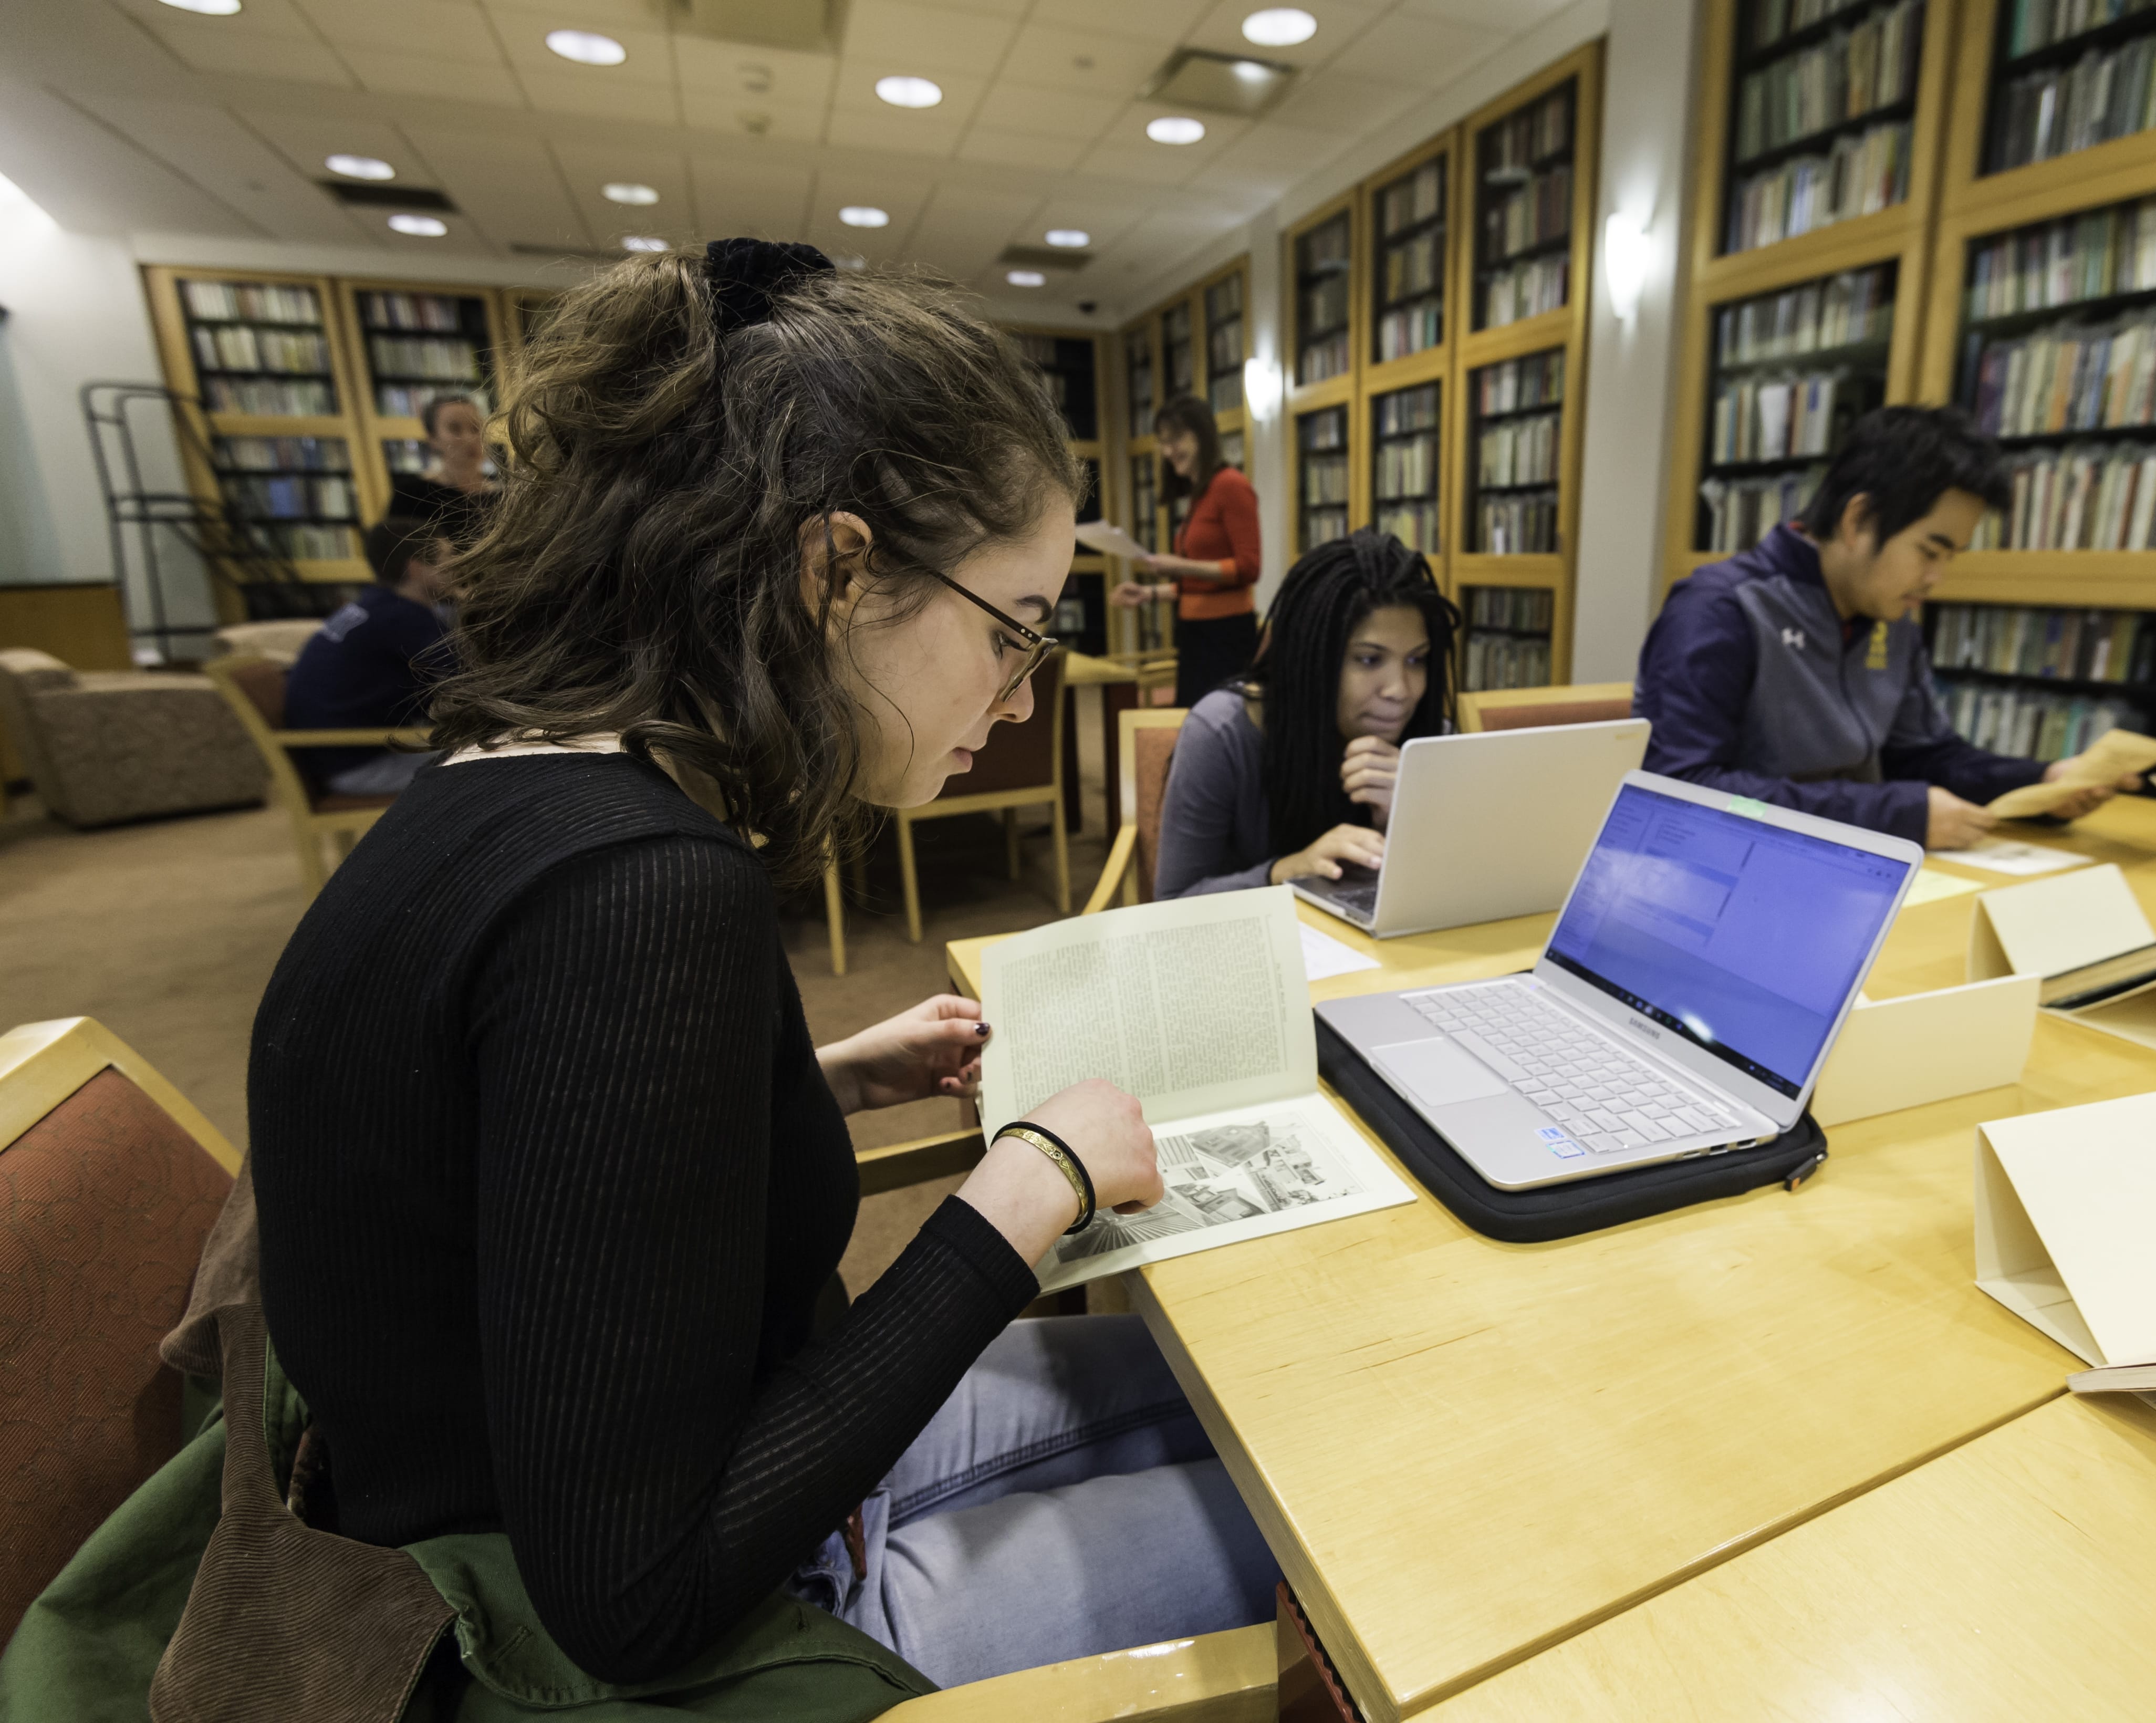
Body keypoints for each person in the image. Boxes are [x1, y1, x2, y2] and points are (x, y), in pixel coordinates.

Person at [16, 241, 1281, 1719]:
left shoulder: (511, 775)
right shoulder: (642, 899)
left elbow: (510, 1182)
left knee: (1273, 1408)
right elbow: (639, 1595)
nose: (1017, 698)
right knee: (1334, 1514)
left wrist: (804, 1083)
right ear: (836, 570)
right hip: (605, 1622)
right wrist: (1032, 1180)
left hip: (539, 1479)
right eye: (1011, 632)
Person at [1635, 406, 2139, 849]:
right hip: (1728, 875)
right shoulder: (1720, 609)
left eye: (1950, 558)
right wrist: (1895, 816)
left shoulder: (1889, 620)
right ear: (1858, 520)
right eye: (1929, 552)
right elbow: (1687, 790)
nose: (1936, 579)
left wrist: (2042, 785)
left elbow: (1921, 757)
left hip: (1853, 867)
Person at [1157, 528, 1457, 898]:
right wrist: (1286, 871)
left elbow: (1466, 890)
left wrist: (1412, 814)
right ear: (1310, 659)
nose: (1400, 690)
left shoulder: (1433, 737)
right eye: (1368, 659)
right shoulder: (1222, 732)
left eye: (1417, 659)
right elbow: (1172, 902)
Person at [282, 511, 455, 797]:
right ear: (416, 569)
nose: (458, 566)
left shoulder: (376, 605)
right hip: (360, 765)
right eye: (447, 558)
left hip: (336, 756)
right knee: (497, 768)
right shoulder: (404, 619)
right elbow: (469, 682)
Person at [1114, 394, 1260, 707]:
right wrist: (1148, 594)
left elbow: (1249, 568)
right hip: (1196, 632)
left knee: (1213, 725)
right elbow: (1200, 586)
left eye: (1177, 438)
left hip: (1225, 636)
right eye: (1164, 442)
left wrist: (1179, 566)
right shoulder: (1200, 495)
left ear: (1202, 435)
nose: (1169, 451)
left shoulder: (1231, 486)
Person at [387, 390, 498, 541]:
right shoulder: (412, 496)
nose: (470, 438)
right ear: (433, 438)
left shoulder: (502, 496)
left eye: (475, 428)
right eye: (455, 429)